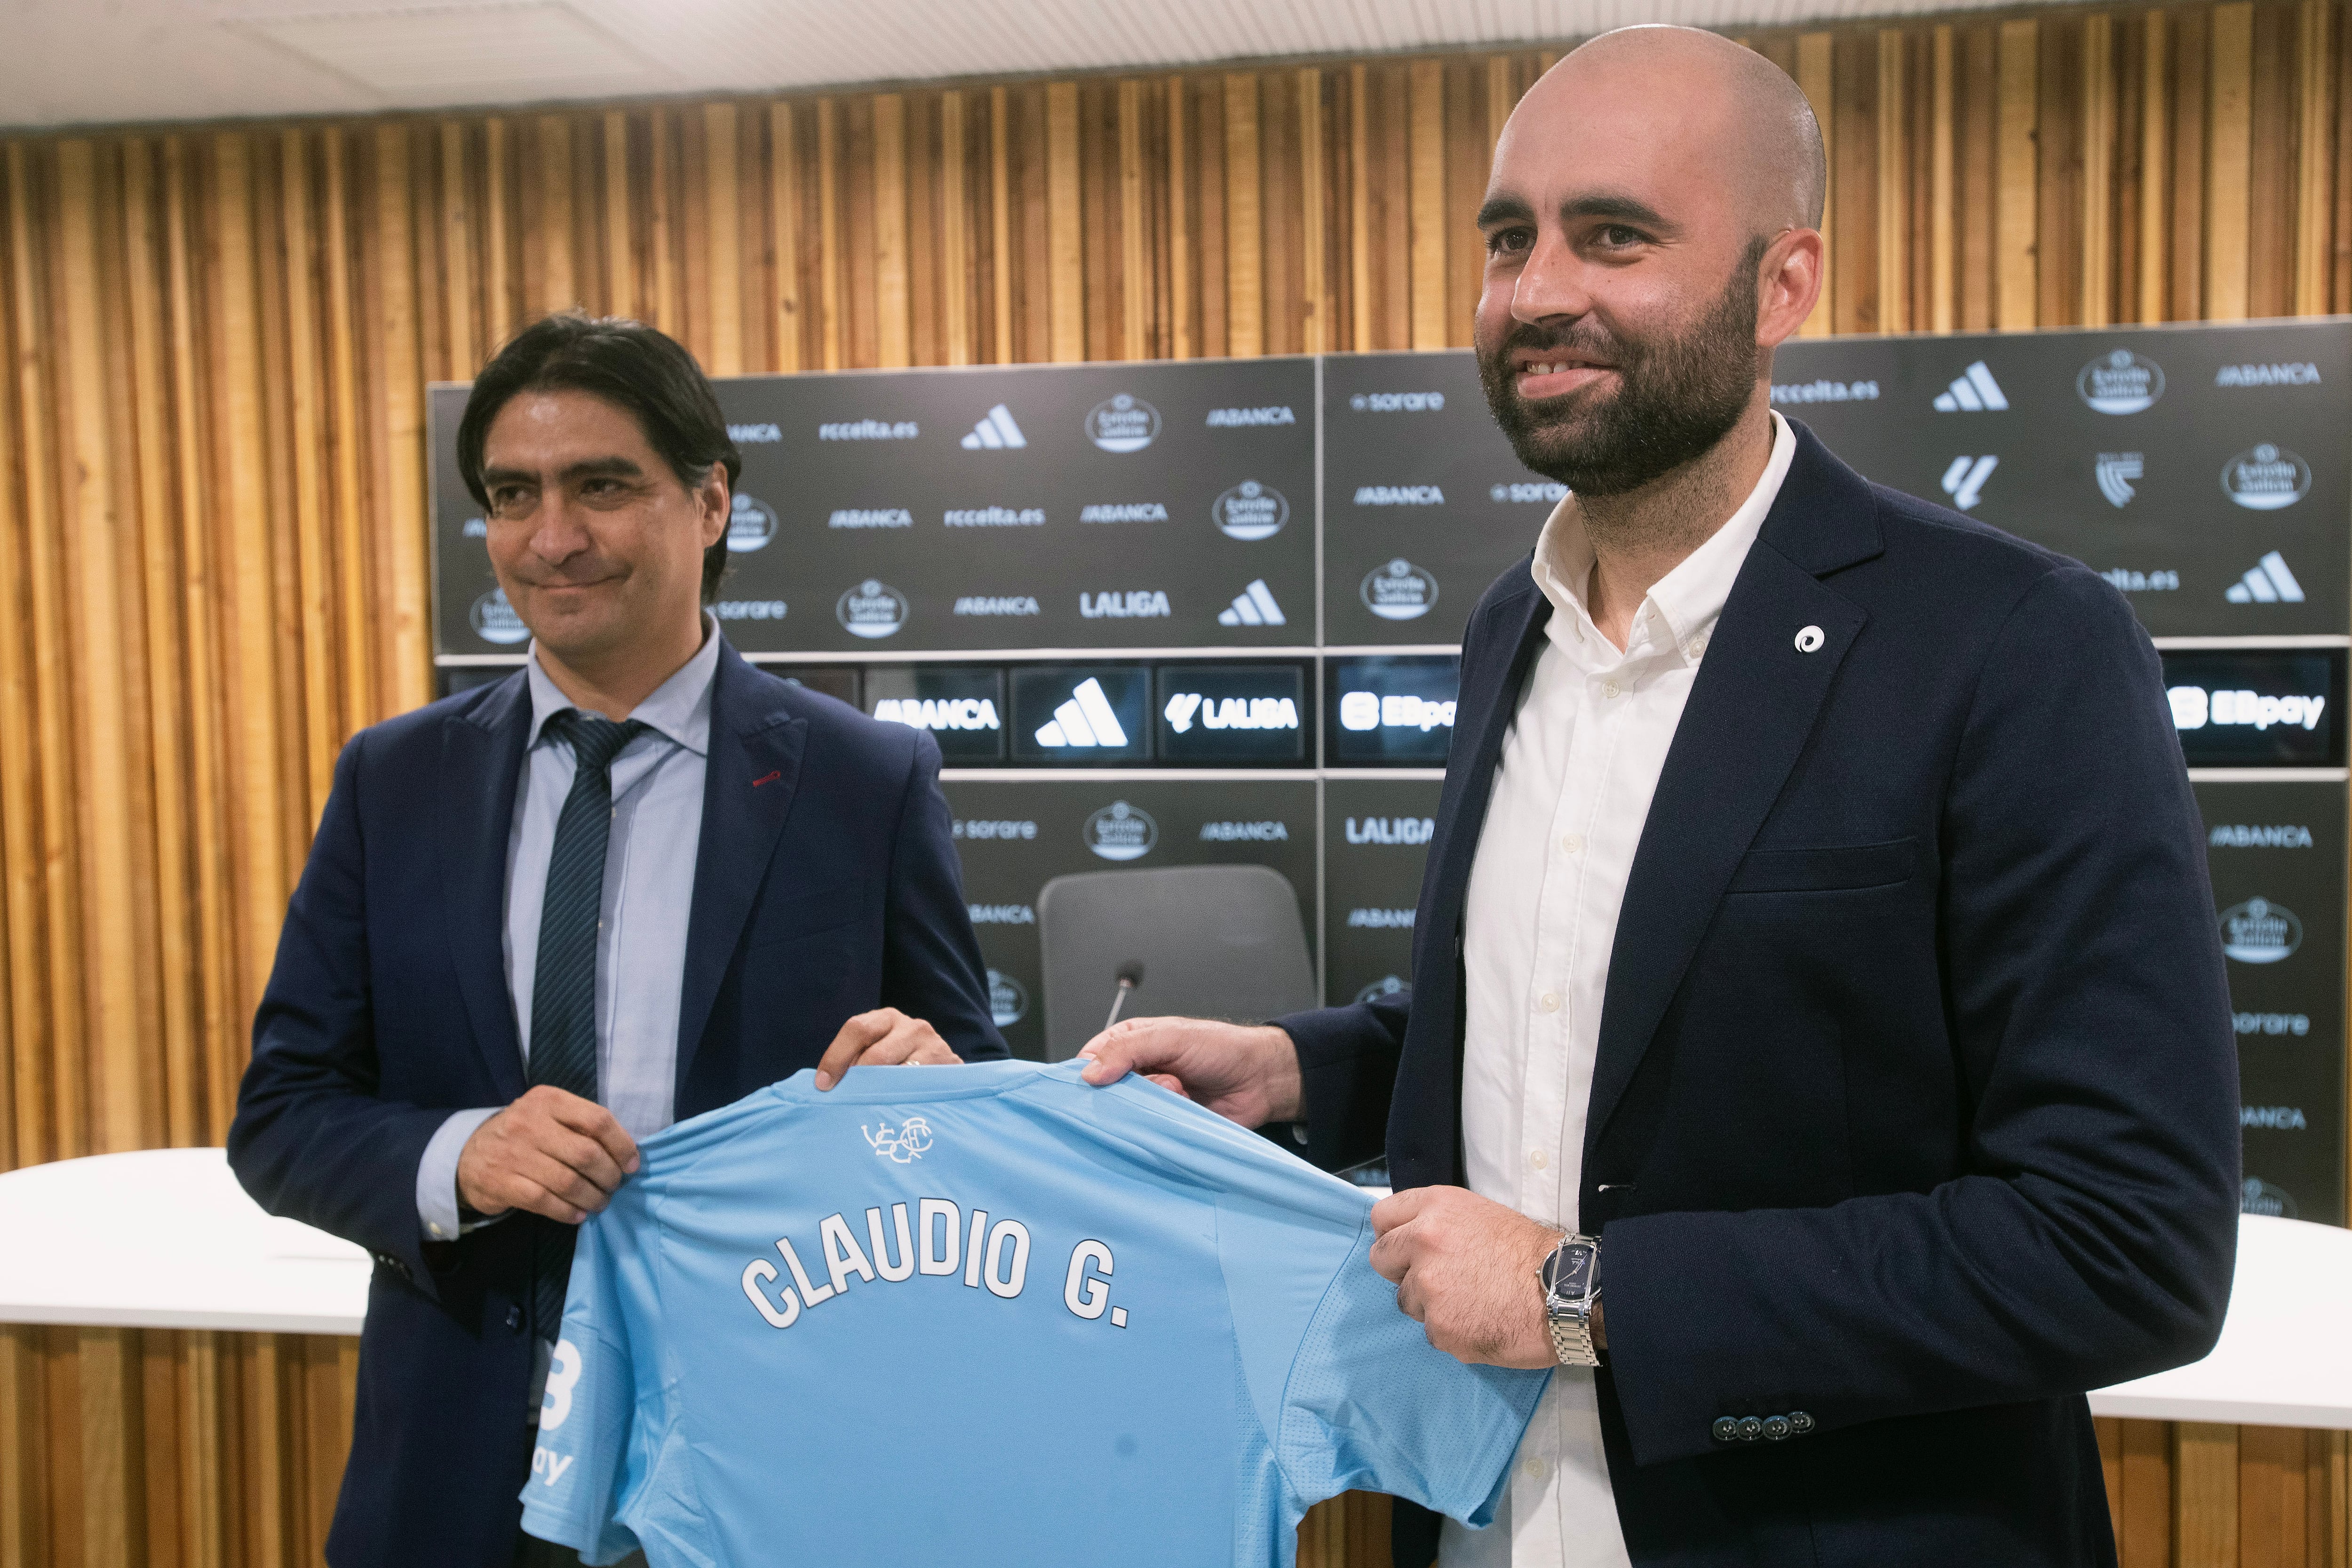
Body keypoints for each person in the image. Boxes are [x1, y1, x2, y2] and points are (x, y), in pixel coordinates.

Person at [1081, 26, 2237, 1568]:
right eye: (1509, 238)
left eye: (1614, 234)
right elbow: (1582, 1027)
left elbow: (2128, 1243)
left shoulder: (2016, 646)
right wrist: (1299, 1070)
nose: (1538, 291)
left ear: (1785, 285)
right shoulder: (1512, 628)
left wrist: (1581, 1299)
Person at [229, 312, 1005, 1568]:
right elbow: (283, 1117)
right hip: (459, 1472)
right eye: (512, 494)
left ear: (710, 502)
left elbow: (978, 1110)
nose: (552, 538)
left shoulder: (864, 781)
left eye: (603, 487)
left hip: (775, 1465)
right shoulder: (394, 783)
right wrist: (458, 1154)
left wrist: (942, 1090)